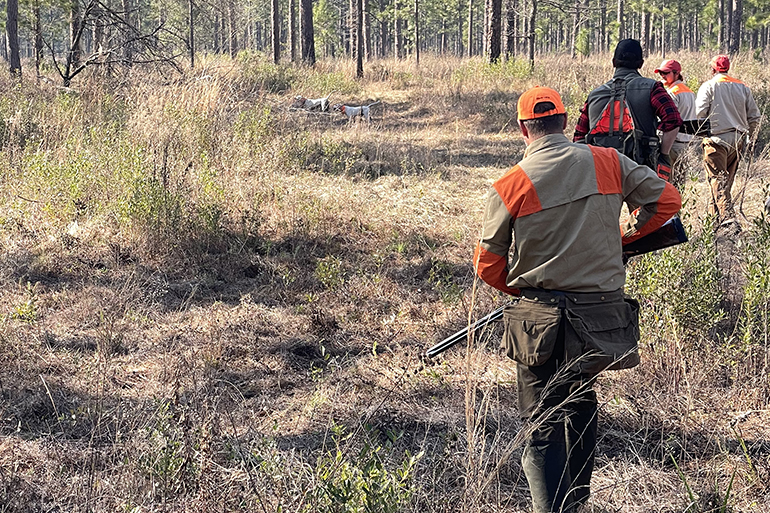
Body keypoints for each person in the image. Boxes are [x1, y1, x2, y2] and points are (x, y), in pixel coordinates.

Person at [474, 86, 682, 513]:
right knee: (582, 400)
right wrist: (627, 239)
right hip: (602, 317)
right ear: (566, 123)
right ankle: (577, 501)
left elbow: (487, 265)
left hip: (540, 321)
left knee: (541, 424)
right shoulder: (607, 161)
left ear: (522, 129)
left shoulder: (510, 185)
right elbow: (667, 201)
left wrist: (524, 291)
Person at [574, 39, 682, 182]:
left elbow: (578, 137)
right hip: (642, 170)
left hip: (601, 170)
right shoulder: (653, 88)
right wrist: (663, 155)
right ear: (641, 64)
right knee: (649, 204)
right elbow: (673, 120)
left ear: (613, 62)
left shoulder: (594, 95)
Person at [695, 55, 761, 230]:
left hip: (716, 140)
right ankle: (712, 226)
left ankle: (729, 221)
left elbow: (700, 114)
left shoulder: (708, 86)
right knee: (721, 184)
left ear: (713, 69)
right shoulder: (742, 87)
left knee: (718, 182)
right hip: (738, 140)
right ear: (727, 68)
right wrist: (751, 140)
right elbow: (755, 117)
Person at [654, 59, 697, 186]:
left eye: (666, 73)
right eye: (661, 73)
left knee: (666, 181)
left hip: (671, 143)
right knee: (679, 182)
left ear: (676, 73)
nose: (662, 76)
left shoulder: (671, 93)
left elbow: (668, 119)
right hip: (685, 144)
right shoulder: (688, 91)